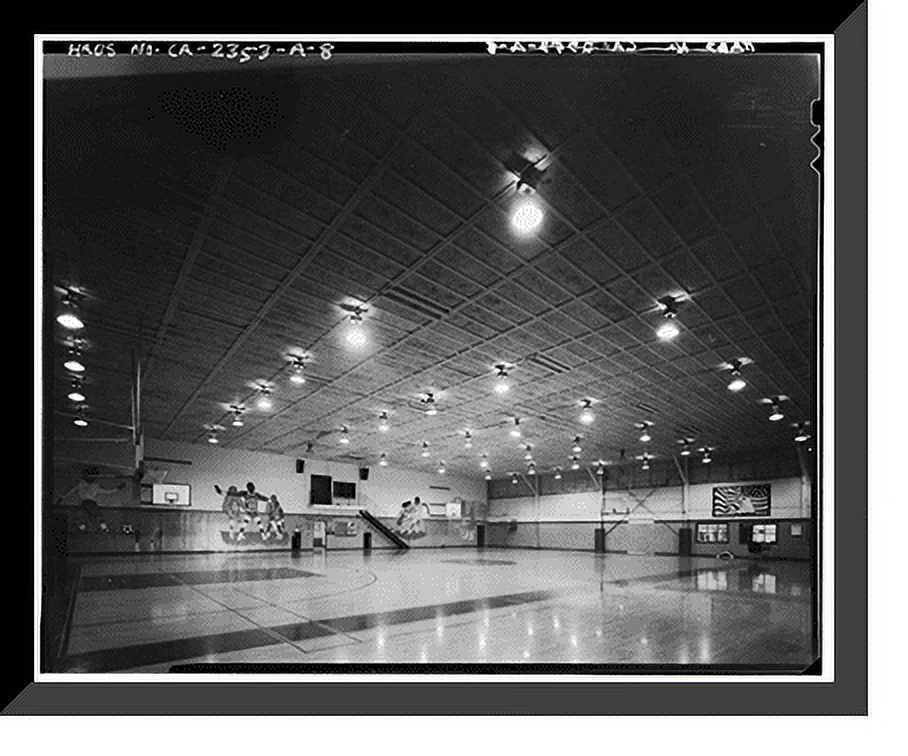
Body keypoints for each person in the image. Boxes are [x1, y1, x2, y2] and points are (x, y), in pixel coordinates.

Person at [57, 467, 126, 533]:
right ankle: (88, 528)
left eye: (93, 477)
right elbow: (70, 490)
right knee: (85, 517)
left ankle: (102, 528)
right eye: (91, 476)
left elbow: (107, 491)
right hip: (86, 503)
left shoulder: (94, 485)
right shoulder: (81, 483)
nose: (92, 478)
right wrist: (62, 497)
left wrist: (118, 488)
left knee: (93, 516)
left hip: (90, 503)